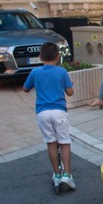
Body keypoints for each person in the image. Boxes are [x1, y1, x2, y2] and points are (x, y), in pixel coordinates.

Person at [23, 42, 76, 190]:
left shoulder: (35, 72)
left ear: (40, 57)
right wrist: (71, 84)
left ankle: (57, 174)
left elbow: (25, 88)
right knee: (64, 142)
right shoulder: (62, 72)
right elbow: (70, 92)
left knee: (51, 142)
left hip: (42, 113)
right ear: (58, 57)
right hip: (59, 111)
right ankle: (67, 175)